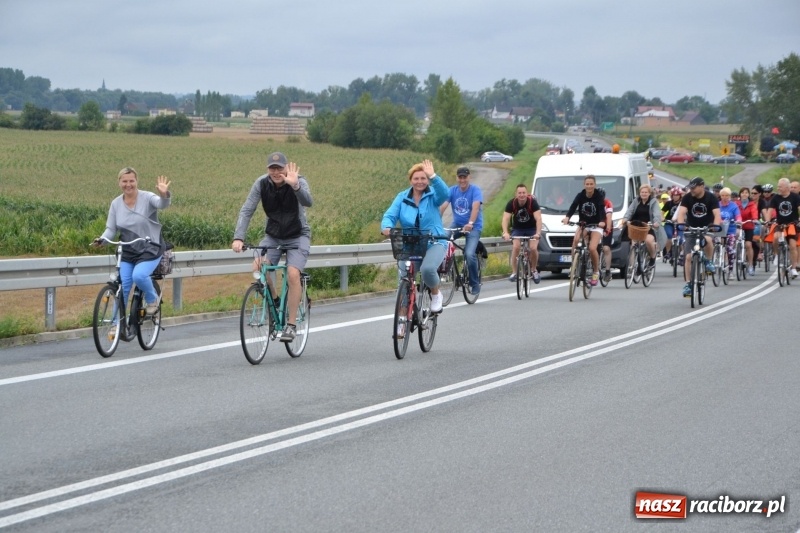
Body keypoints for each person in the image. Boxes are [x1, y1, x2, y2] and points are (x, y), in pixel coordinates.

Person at [232, 152, 313, 342]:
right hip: (273, 236)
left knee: (293, 274)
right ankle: (276, 300)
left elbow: (308, 202)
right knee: (258, 266)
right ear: (267, 169)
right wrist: (238, 237)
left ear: (286, 167)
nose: (276, 172)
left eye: (279, 168)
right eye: (272, 168)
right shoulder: (261, 184)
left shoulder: (298, 180)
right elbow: (247, 210)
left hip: (298, 236)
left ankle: (291, 325)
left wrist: (295, 186)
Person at [93, 167, 172, 328]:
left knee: (139, 276)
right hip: (128, 251)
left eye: (131, 181)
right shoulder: (116, 204)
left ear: (137, 181)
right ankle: (117, 325)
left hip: (150, 248)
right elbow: (111, 229)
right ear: (119, 183)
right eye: (124, 181)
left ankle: (152, 299)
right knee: (123, 286)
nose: (128, 184)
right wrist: (102, 240)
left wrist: (164, 194)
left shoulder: (147, 197)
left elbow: (162, 204)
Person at [382, 159, 449, 319]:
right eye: (416, 178)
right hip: (411, 243)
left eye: (423, 178)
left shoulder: (433, 195)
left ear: (427, 180)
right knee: (404, 277)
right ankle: (403, 316)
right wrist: (387, 227)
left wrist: (433, 176)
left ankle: (435, 294)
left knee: (427, 269)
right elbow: (390, 215)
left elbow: (445, 194)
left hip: (434, 242)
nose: (420, 181)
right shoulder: (402, 197)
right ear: (410, 180)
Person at [439, 166, 483, 295]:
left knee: (469, 254)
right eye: (460, 177)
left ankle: (474, 283)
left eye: (465, 177)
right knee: (441, 240)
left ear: (469, 177)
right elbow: (443, 206)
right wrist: (436, 222)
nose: (462, 180)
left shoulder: (475, 190)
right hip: (457, 224)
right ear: (457, 178)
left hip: (473, 227)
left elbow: (475, 208)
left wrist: (470, 223)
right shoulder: (452, 190)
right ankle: (442, 272)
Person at [676, 177, 721, 297]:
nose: (691, 190)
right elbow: (681, 212)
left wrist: (715, 226)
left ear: (702, 186)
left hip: (707, 227)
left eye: (694, 188)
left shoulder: (711, 197)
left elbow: (717, 214)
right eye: (690, 188)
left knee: (708, 240)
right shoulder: (687, 197)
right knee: (688, 257)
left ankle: (709, 261)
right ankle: (688, 284)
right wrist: (681, 224)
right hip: (691, 228)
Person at [561, 175, 607, 286]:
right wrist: (567, 217)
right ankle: (574, 265)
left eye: (591, 184)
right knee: (576, 240)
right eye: (587, 184)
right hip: (584, 224)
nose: (589, 186)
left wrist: (602, 221)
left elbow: (601, 209)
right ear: (584, 185)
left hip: (596, 225)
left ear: (594, 185)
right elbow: (573, 206)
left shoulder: (598, 196)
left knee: (592, 248)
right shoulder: (580, 195)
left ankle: (595, 271)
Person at [502, 184, 542, 283]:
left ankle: (534, 270)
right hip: (518, 229)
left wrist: (538, 233)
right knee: (516, 247)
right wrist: (505, 232)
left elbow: (538, 218)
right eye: (519, 193)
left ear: (527, 193)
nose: (522, 195)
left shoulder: (532, 202)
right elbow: (505, 219)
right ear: (516, 194)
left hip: (532, 229)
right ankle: (514, 272)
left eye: (524, 193)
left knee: (533, 248)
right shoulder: (512, 203)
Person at [619, 184, 666, 268]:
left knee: (648, 240)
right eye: (642, 192)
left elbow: (656, 213)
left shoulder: (653, 202)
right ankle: (632, 266)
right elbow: (630, 211)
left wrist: (656, 222)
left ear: (649, 193)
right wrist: (625, 219)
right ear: (639, 193)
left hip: (649, 226)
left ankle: (652, 257)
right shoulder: (636, 201)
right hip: (636, 226)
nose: (644, 194)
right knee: (633, 243)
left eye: (646, 192)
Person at [764, 177, 800, 278]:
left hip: (792, 224)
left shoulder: (795, 197)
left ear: (787, 187)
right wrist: (767, 221)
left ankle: (793, 268)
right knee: (775, 237)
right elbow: (770, 210)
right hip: (780, 223)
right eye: (778, 186)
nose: (778, 188)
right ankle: (776, 254)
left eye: (780, 187)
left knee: (793, 245)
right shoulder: (775, 198)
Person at [718, 187, 742, 274]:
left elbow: (738, 216)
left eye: (727, 195)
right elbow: (713, 214)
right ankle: (717, 258)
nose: (724, 197)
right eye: (723, 195)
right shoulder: (717, 205)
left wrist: (738, 221)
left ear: (730, 196)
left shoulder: (733, 206)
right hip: (719, 229)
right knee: (715, 243)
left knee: (730, 249)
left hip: (731, 229)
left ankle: (731, 270)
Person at [735, 187, 759, 276]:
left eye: (746, 193)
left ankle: (750, 265)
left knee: (748, 244)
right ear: (740, 194)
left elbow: (754, 212)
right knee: (735, 239)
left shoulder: (752, 204)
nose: (744, 194)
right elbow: (734, 212)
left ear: (748, 194)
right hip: (738, 226)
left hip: (748, 225)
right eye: (742, 193)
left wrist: (754, 219)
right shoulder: (736, 203)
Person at [661, 187, 683, 260]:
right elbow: (662, 212)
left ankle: (682, 254)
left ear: (680, 196)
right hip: (669, 222)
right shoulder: (668, 203)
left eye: (677, 195)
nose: (675, 197)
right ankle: (668, 252)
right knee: (669, 235)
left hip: (680, 223)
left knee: (681, 239)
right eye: (674, 195)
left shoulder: (683, 204)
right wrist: (662, 218)